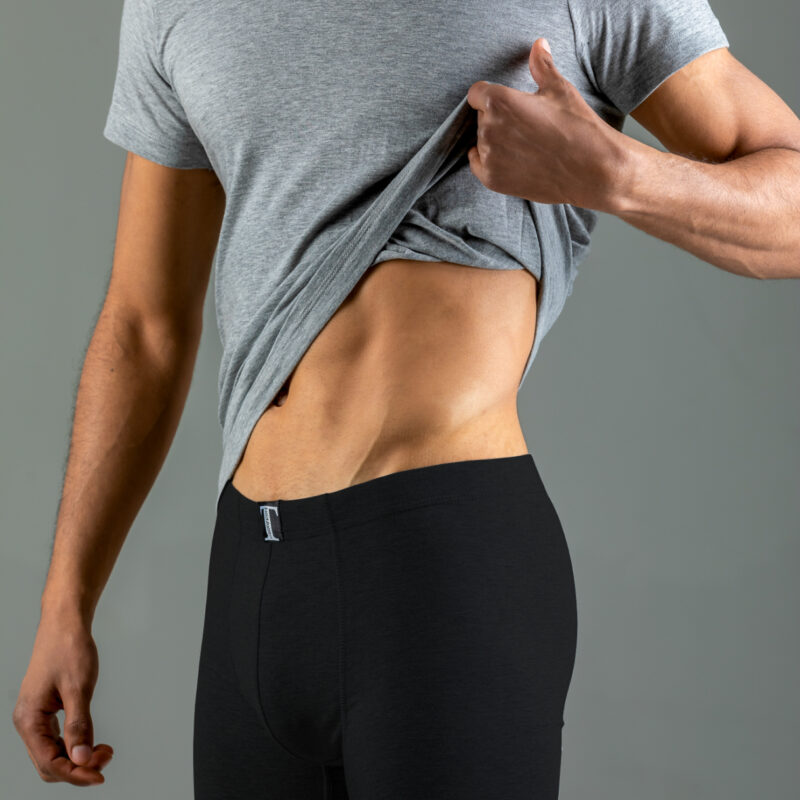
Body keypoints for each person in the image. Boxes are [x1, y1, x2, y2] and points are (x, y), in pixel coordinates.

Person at [13, 0, 800, 796]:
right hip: (253, 576)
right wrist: (65, 600)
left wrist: (619, 176)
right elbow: (144, 325)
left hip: (440, 567)